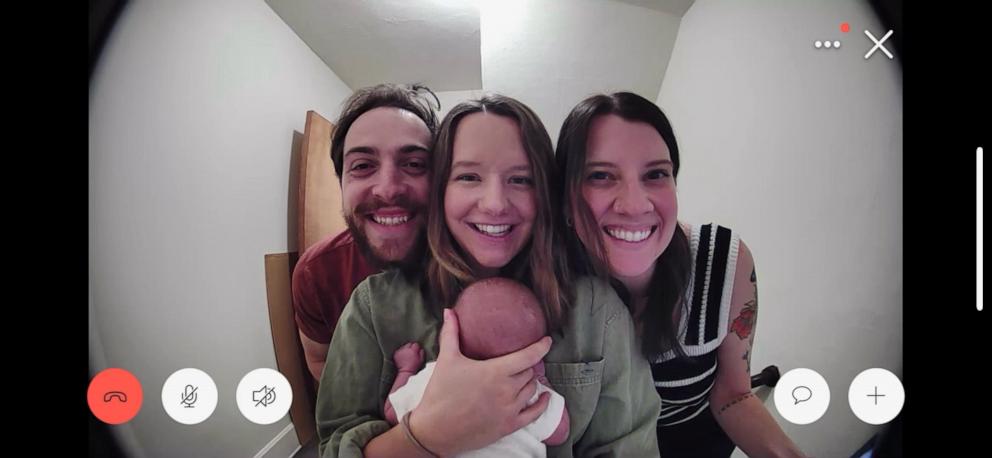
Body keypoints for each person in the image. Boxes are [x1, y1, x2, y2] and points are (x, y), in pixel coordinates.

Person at [316, 94, 661, 457]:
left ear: (544, 192)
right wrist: (425, 437)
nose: (495, 202)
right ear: (440, 191)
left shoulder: (596, 312)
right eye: (468, 176)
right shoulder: (375, 308)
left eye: (521, 179)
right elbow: (334, 445)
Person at [554, 92, 806, 458]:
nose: (636, 204)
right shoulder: (549, 281)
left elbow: (733, 394)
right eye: (600, 176)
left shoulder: (723, 261)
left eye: (656, 174)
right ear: (565, 197)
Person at [291, 83, 439, 382]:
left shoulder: (474, 259)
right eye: (362, 165)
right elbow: (320, 360)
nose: (387, 189)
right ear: (341, 183)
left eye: (414, 164)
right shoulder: (316, 272)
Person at [383, 277, 570, 456]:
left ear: (449, 333)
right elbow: (561, 432)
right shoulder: (526, 392)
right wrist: (541, 380)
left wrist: (406, 370)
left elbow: (391, 412)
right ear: (532, 357)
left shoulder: (435, 380)